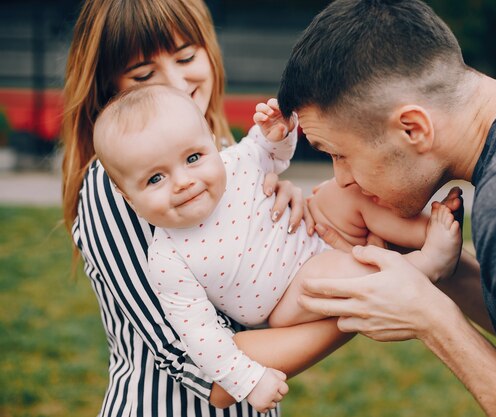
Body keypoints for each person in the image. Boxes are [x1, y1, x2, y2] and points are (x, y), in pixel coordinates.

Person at [277, 0, 496, 416]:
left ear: (413, 128)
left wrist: (432, 320)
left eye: (338, 154)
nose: (342, 180)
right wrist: (439, 268)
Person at [61, 0, 359, 415]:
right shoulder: (113, 189)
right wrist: (363, 307)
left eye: (186, 57)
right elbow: (208, 373)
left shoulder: (217, 156)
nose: (174, 83)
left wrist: (280, 219)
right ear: (109, 85)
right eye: (143, 74)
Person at [92, 84, 465, 411]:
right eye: (156, 178)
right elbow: (201, 335)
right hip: (289, 296)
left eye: (193, 158)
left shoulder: (234, 163)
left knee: (343, 193)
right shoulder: (167, 258)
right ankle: (425, 266)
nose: (183, 182)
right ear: (128, 197)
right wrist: (248, 381)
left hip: (312, 228)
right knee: (332, 275)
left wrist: (277, 134)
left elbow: (270, 153)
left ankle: (423, 232)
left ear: (211, 143)